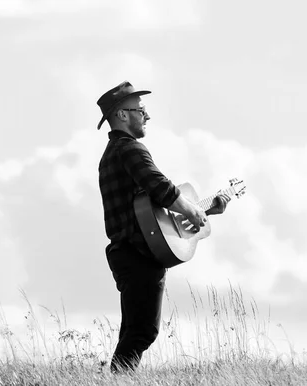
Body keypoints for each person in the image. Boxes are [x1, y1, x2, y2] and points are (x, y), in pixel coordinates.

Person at [96, 81, 231, 372]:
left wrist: (204, 211)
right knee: (143, 330)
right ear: (122, 115)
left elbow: (152, 215)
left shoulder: (111, 155)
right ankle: (118, 379)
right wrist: (193, 210)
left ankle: (119, 378)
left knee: (134, 329)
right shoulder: (130, 149)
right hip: (137, 254)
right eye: (141, 110)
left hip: (127, 252)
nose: (147, 116)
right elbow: (161, 189)